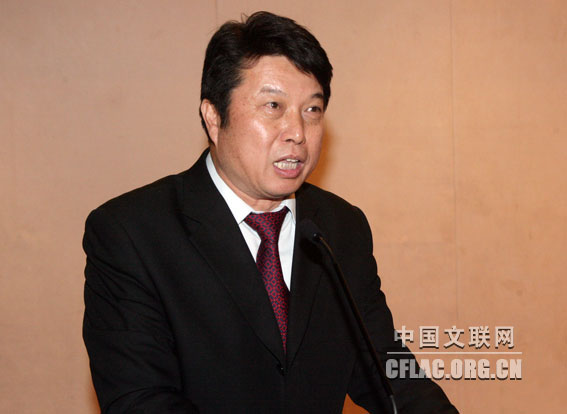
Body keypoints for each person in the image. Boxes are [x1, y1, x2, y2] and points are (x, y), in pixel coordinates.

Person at [83, 11, 458, 414]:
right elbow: (139, 400)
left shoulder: (340, 227)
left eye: (312, 110)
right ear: (214, 117)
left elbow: (389, 371)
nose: (297, 132)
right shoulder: (132, 233)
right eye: (273, 106)